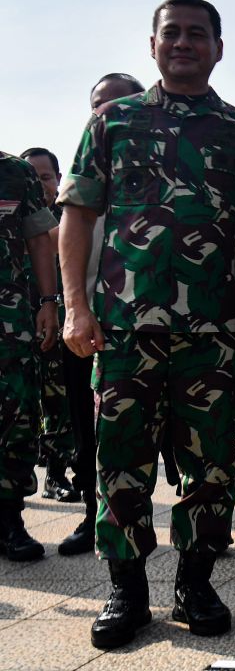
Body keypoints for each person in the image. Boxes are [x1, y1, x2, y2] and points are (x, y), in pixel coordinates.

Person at [59, 0, 235, 648]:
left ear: (219, 48)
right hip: (123, 330)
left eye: (197, 34)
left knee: (209, 469)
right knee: (120, 462)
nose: (183, 43)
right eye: (170, 33)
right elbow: (78, 215)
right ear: (151, 45)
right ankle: (128, 590)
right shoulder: (114, 122)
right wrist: (75, 306)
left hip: (213, 332)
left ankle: (196, 582)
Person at [54, 75, 147, 558]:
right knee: (88, 430)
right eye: (97, 105)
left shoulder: (153, 167)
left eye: (116, 102)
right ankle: (95, 516)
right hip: (89, 323)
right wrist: (71, 309)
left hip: (152, 323)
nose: (106, 111)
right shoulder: (84, 171)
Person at [0, 153, 59, 562]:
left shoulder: (15, 172)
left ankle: (9, 520)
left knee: (17, 417)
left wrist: (49, 302)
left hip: (10, 321)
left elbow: (40, 239)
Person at [19, 148, 78, 504]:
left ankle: (56, 476)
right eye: (32, 177)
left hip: (58, 318)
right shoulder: (10, 214)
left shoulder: (69, 218)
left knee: (59, 399)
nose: (39, 184)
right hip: (15, 320)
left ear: (57, 180)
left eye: (44, 177)